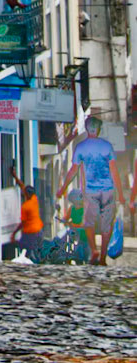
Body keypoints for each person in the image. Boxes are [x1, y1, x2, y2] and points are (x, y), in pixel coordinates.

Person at [63, 112, 119, 265]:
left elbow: (73, 170)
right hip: (107, 190)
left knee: (90, 225)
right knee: (106, 226)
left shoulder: (81, 147)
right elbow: (114, 170)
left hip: (91, 191)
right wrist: (120, 193)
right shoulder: (107, 146)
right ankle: (101, 257)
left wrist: (63, 188)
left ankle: (95, 252)